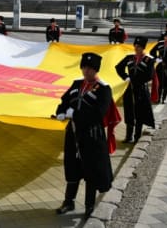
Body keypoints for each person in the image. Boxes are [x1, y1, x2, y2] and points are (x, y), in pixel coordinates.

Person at [55, 52, 114, 219]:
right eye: (84, 68)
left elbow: (98, 113)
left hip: (91, 136)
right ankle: (68, 201)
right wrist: (60, 112)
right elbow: (64, 101)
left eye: (90, 69)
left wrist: (76, 114)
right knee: (72, 167)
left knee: (91, 170)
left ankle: (89, 206)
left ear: (96, 70)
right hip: (73, 134)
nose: (86, 71)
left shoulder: (103, 88)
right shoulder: (76, 84)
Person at [115, 36, 155, 143]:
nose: (136, 48)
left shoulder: (149, 60)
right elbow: (118, 67)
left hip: (141, 89)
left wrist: (136, 80)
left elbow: (149, 75)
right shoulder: (129, 58)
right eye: (135, 46)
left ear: (143, 48)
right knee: (129, 112)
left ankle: (137, 136)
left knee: (139, 113)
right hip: (129, 89)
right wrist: (125, 77)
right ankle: (128, 136)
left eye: (139, 47)